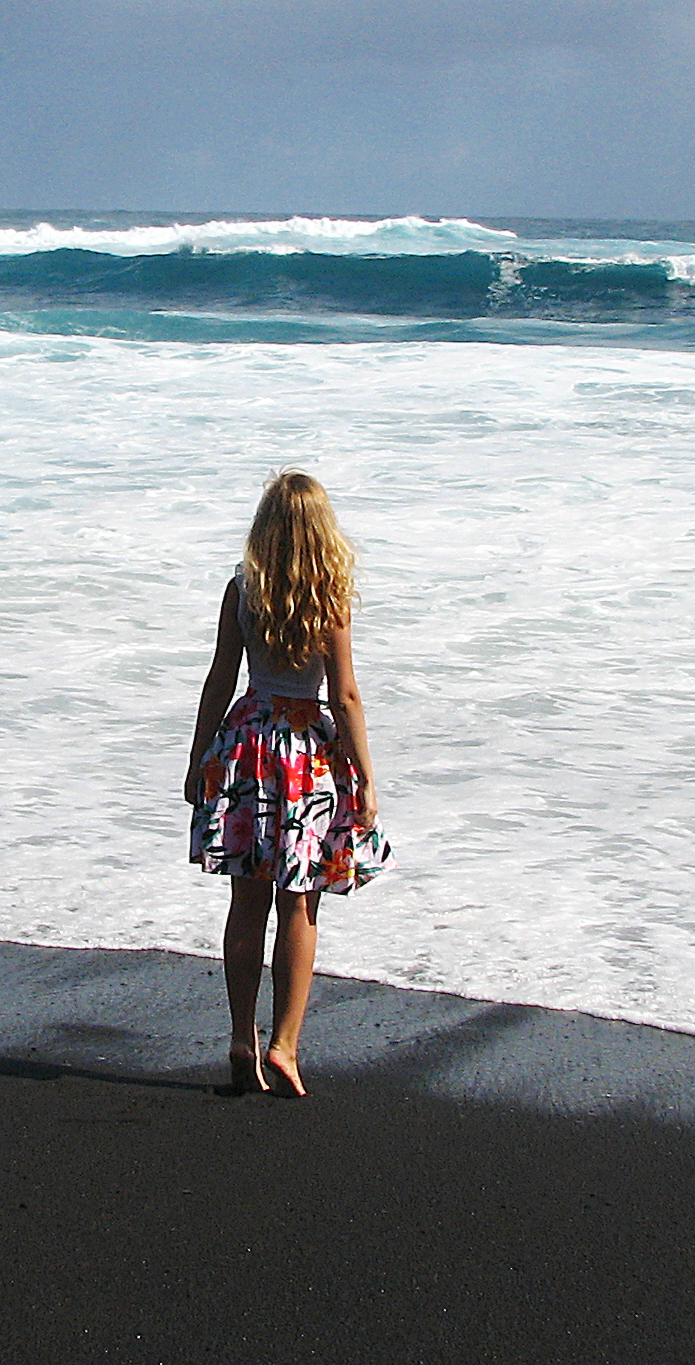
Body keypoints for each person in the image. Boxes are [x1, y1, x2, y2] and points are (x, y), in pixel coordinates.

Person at [186, 470, 389, 1097]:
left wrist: (198, 759)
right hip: (308, 760)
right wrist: (366, 779)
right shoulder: (328, 600)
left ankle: (240, 1037)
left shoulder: (241, 589)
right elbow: (345, 695)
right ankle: (285, 1046)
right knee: (300, 904)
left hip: (247, 743)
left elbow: (221, 677)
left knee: (246, 904)